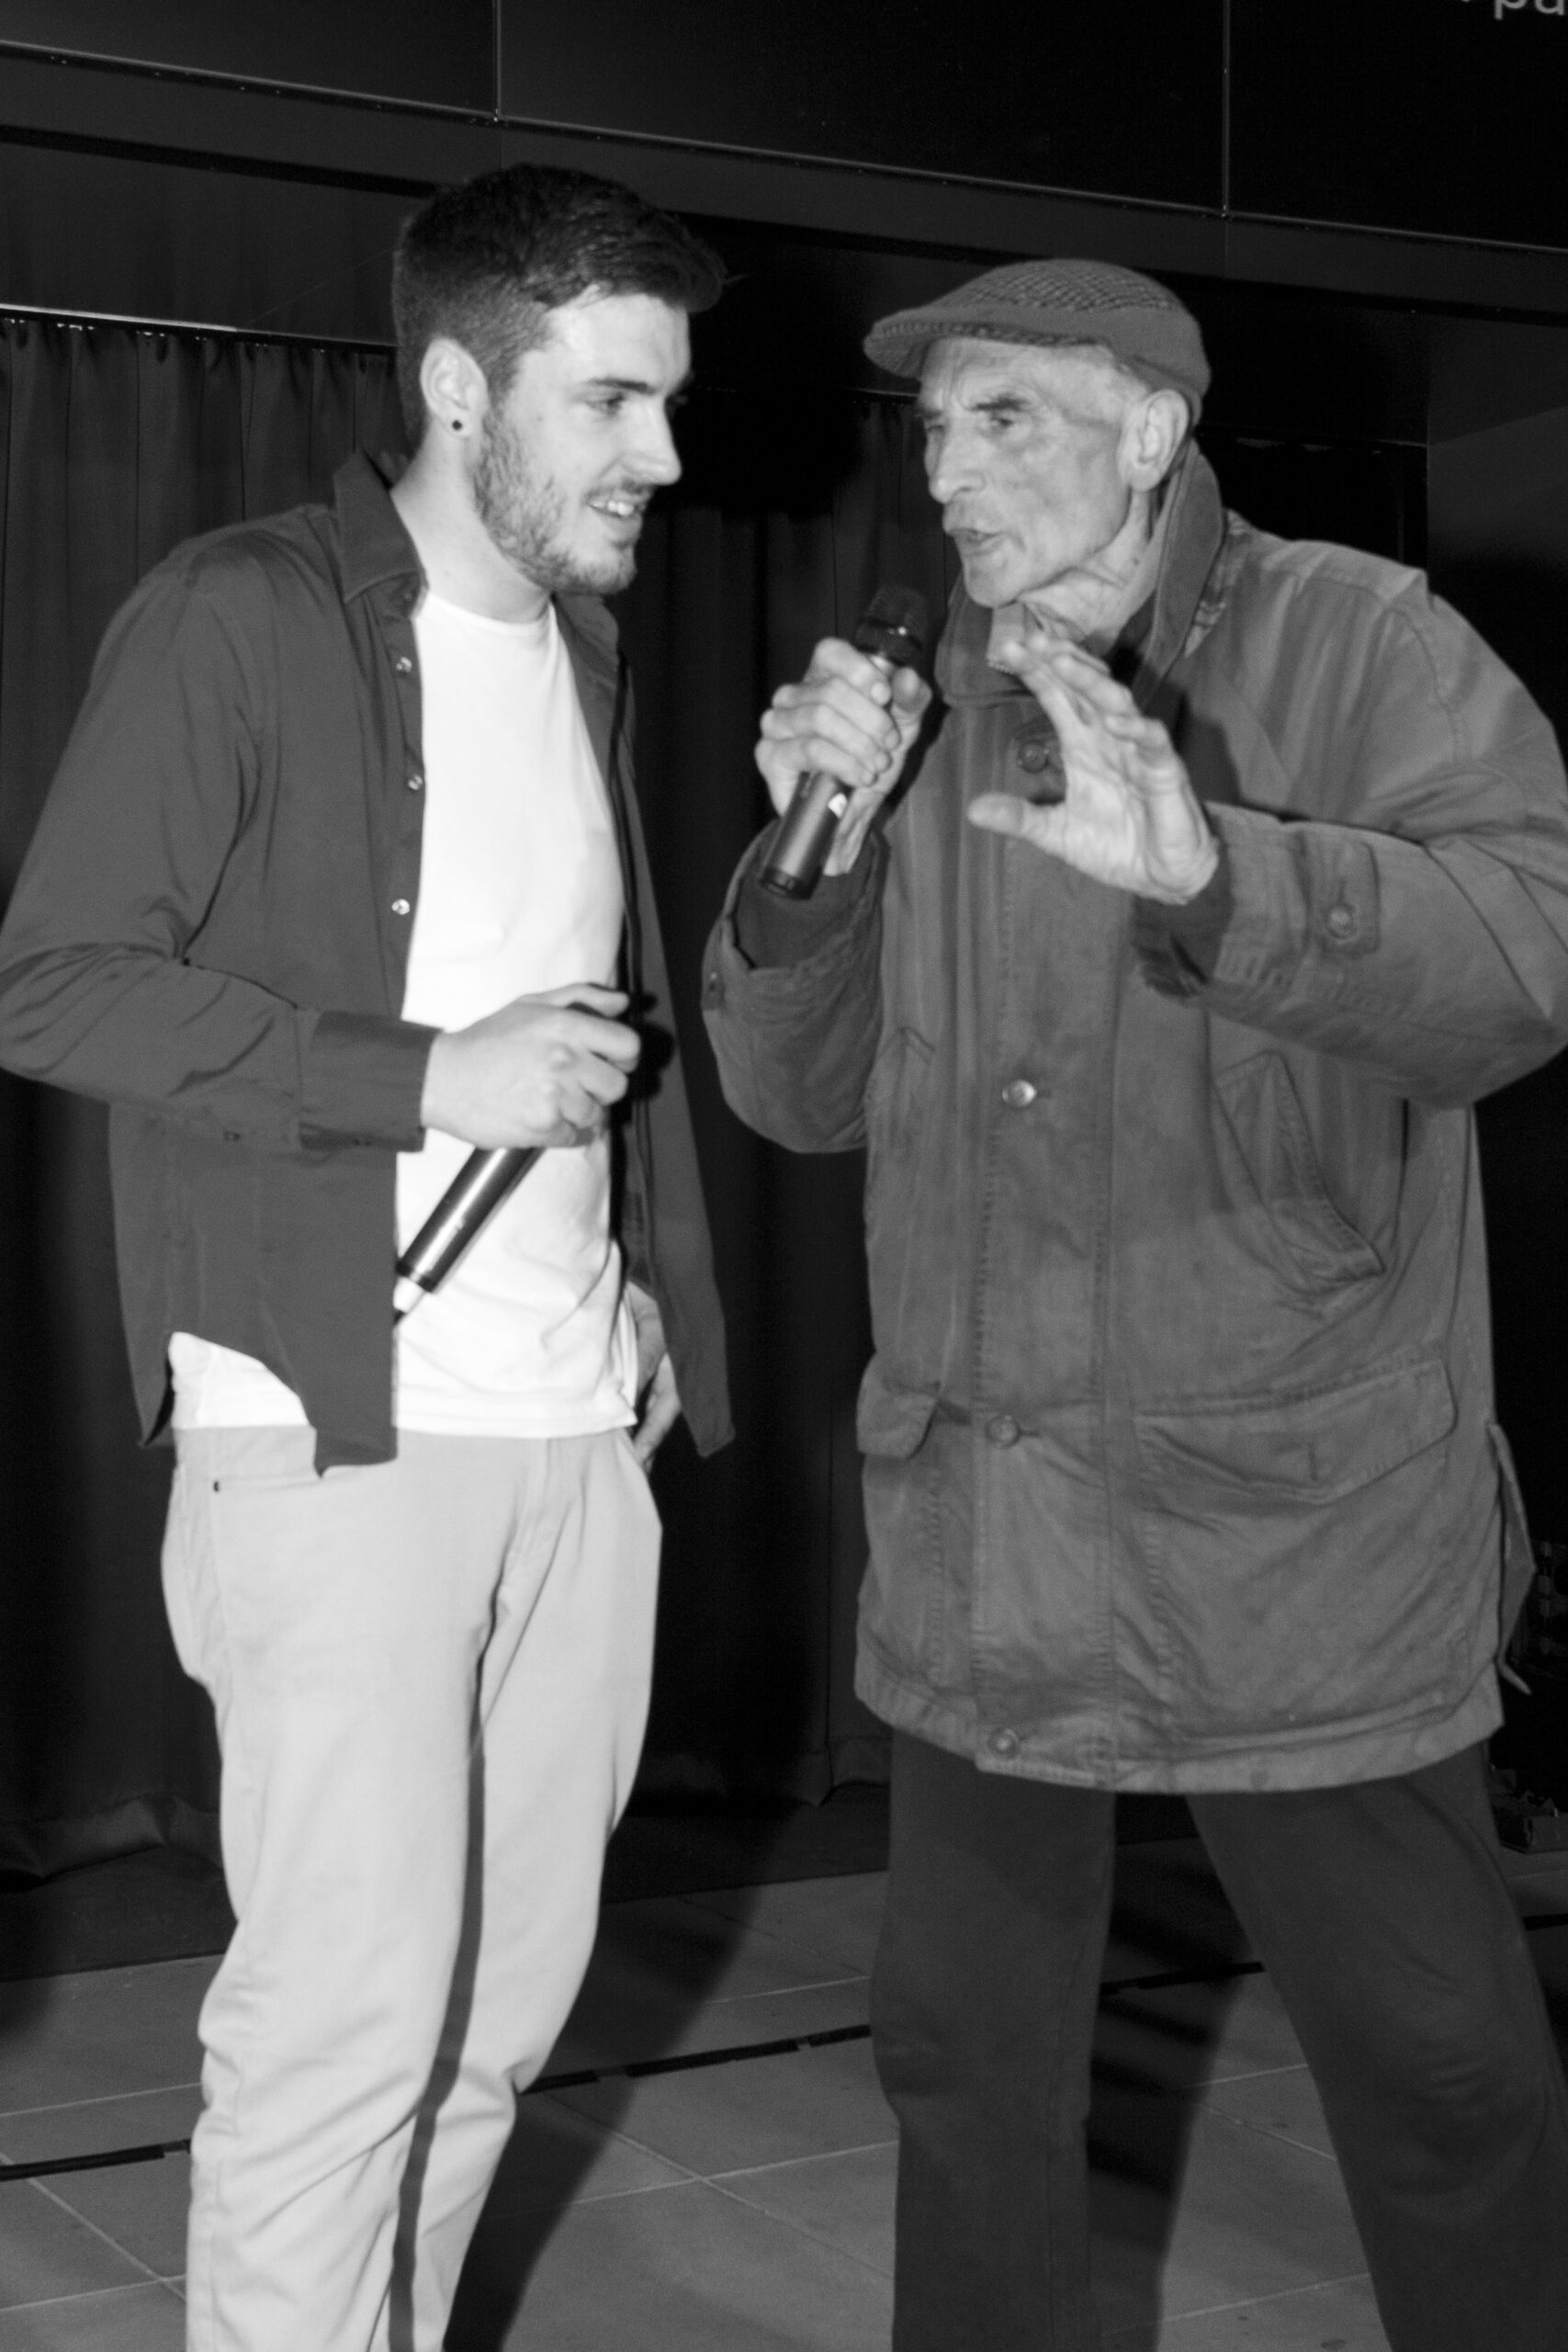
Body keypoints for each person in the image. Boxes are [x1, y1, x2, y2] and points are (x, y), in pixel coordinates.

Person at [702, 257, 1568, 2351]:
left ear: (1155, 428)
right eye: (929, 425)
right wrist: (798, 870)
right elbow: (789, 1092)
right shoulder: (915, 698)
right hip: (986, 1516)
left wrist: (1213, 879)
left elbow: (1522, 959)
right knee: (959, 2073)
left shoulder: (1355, 639)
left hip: (1290, 1524)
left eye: (1002, 414)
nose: (945, 462)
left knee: (1442, 2081)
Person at [0, 164, 729, 2351]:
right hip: (334, 1426)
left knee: (491, 2034)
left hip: (571, 1428)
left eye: (668, 404)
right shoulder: (238, 612)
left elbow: (585, 1027)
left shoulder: (583, 653)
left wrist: (642, 1297)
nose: (663, 458)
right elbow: (52, 985)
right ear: (453, 379)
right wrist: (425, 1077)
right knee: (340, 2038)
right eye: (612, 403)